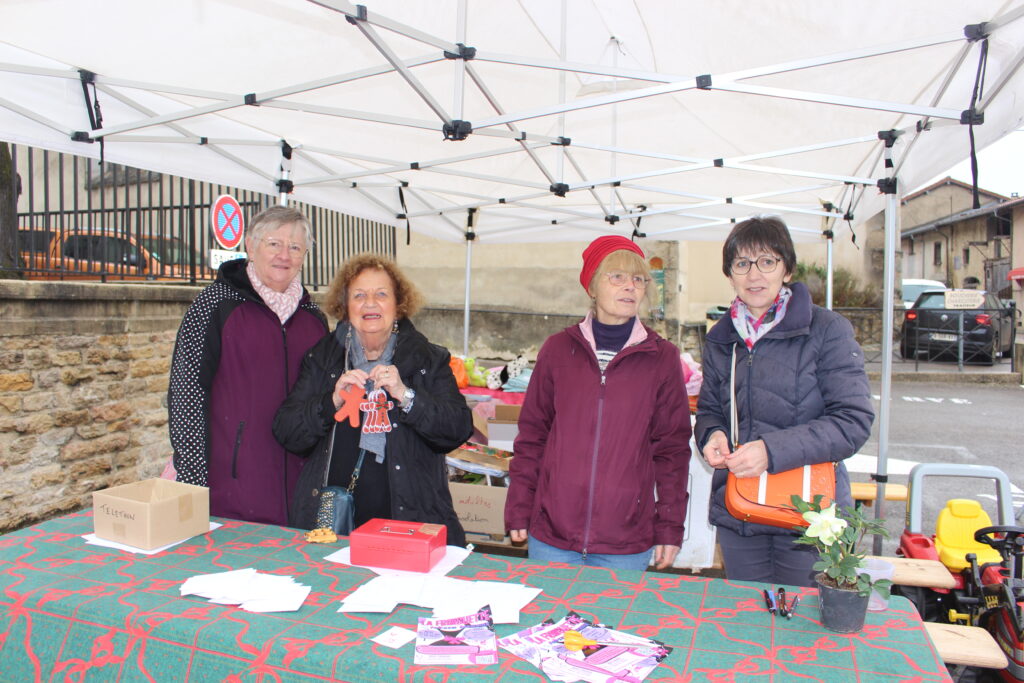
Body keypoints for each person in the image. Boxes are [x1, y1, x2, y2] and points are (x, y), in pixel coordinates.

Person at [695, 216, 874, 586]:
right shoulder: (721, 338)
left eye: (767, 261)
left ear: (787, 269)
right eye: (742, 264)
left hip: (810, 513)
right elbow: (711, 409)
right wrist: (711, 434)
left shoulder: (826, 330)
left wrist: (771, 450)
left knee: (803, 628)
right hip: (741, 507)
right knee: (747, 620)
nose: (754, 274)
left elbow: (852, 421)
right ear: (730, 273)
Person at [504, 235, 692, 571]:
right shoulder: (558, 350)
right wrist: (519, 504)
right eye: (616, 276)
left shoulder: (662, 358)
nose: (630, 287)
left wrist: (670, 527)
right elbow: (532, 437)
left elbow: (673, 451)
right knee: (547, 622)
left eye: (638, 279)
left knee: (615, 624)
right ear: (591, 286)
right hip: (552, 538)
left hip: (626, 542)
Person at [273, 254, 472, 545]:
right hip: (334, 523)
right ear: (345, 305)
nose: (370, 303)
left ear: (398, 303)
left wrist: (406, 395)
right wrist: (331, 402)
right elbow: (287, 432)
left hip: (409, 520)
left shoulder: (427, 358)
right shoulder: (322, 358)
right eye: (359, 295)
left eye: (381, 294)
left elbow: (456, 429)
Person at [168, 205, 328, 525]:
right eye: (274, 243)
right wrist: (193, 481)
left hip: (301, 489)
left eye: (295, 247)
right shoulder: (216, 305)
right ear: (250, 247)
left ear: (304, 255)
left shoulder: (315, 320)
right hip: (232, 489)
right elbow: (186, 393)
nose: (284, 255)